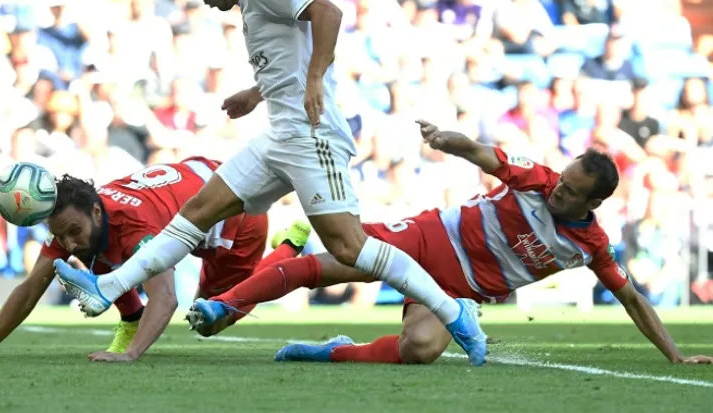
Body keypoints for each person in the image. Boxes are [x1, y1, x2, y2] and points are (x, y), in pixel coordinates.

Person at [53, 0, 487, 365]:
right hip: (279, 136)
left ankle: (453, 310)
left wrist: (315, 78)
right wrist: (256, 93)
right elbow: (288, 60)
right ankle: (108, 286)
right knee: (198, 210)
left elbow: (329, 12)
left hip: (312, 136)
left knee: (349, 247)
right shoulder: (252, 4)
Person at [187, 120, 713, 366]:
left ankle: (332, 352)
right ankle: (222, 305)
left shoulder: (591, 246)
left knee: (419, 350)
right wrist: (445, 139)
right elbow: (482, 152)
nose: (559, 189)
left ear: (592, 203)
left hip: (457, 292)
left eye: (572, 191)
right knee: (330, 264)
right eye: (564, 179)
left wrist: (674, 355)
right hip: (429, 239)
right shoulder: (537, 178)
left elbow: (631, 298)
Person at [0, 156, 308, 363]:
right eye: (61, 235)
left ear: (96, 212)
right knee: (96, 250)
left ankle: (288, 248)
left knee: (211, 318)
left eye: (73, 231)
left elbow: (166, 297)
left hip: (234, 214)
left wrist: (130, 355)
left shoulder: (134, 227)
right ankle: (131, 317)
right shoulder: (75, 217)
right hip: (192, 184)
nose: (68, 243)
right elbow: (29, 289)